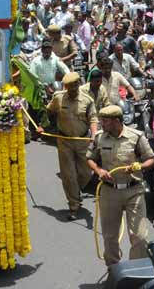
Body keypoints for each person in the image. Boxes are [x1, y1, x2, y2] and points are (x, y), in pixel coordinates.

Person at [86, 105, 154, 268]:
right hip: (109, 192)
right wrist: (99, 170)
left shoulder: (136, 137)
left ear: (117, 121)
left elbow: (151, 159)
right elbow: (89, 158)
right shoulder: (99, 138)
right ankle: (114, 270)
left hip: (134, 191)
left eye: (105, 121)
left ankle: (137, 271)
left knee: (140, 236)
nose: (102, 124)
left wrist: (140, 166)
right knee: (110, 236)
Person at [46, 72, 97, 220]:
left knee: (86, 173)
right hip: (64, 141)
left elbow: (93, 119)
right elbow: (50, 111)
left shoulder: (87, 101)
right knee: (68, 175)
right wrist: (44, 127)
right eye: (70, 87)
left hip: (82, 141)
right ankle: (73, 205)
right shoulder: (59, 98)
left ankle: (76, 190)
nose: (73, 90)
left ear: (79, 84)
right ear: (66, 87)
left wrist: (93, 137)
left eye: (75, 86)